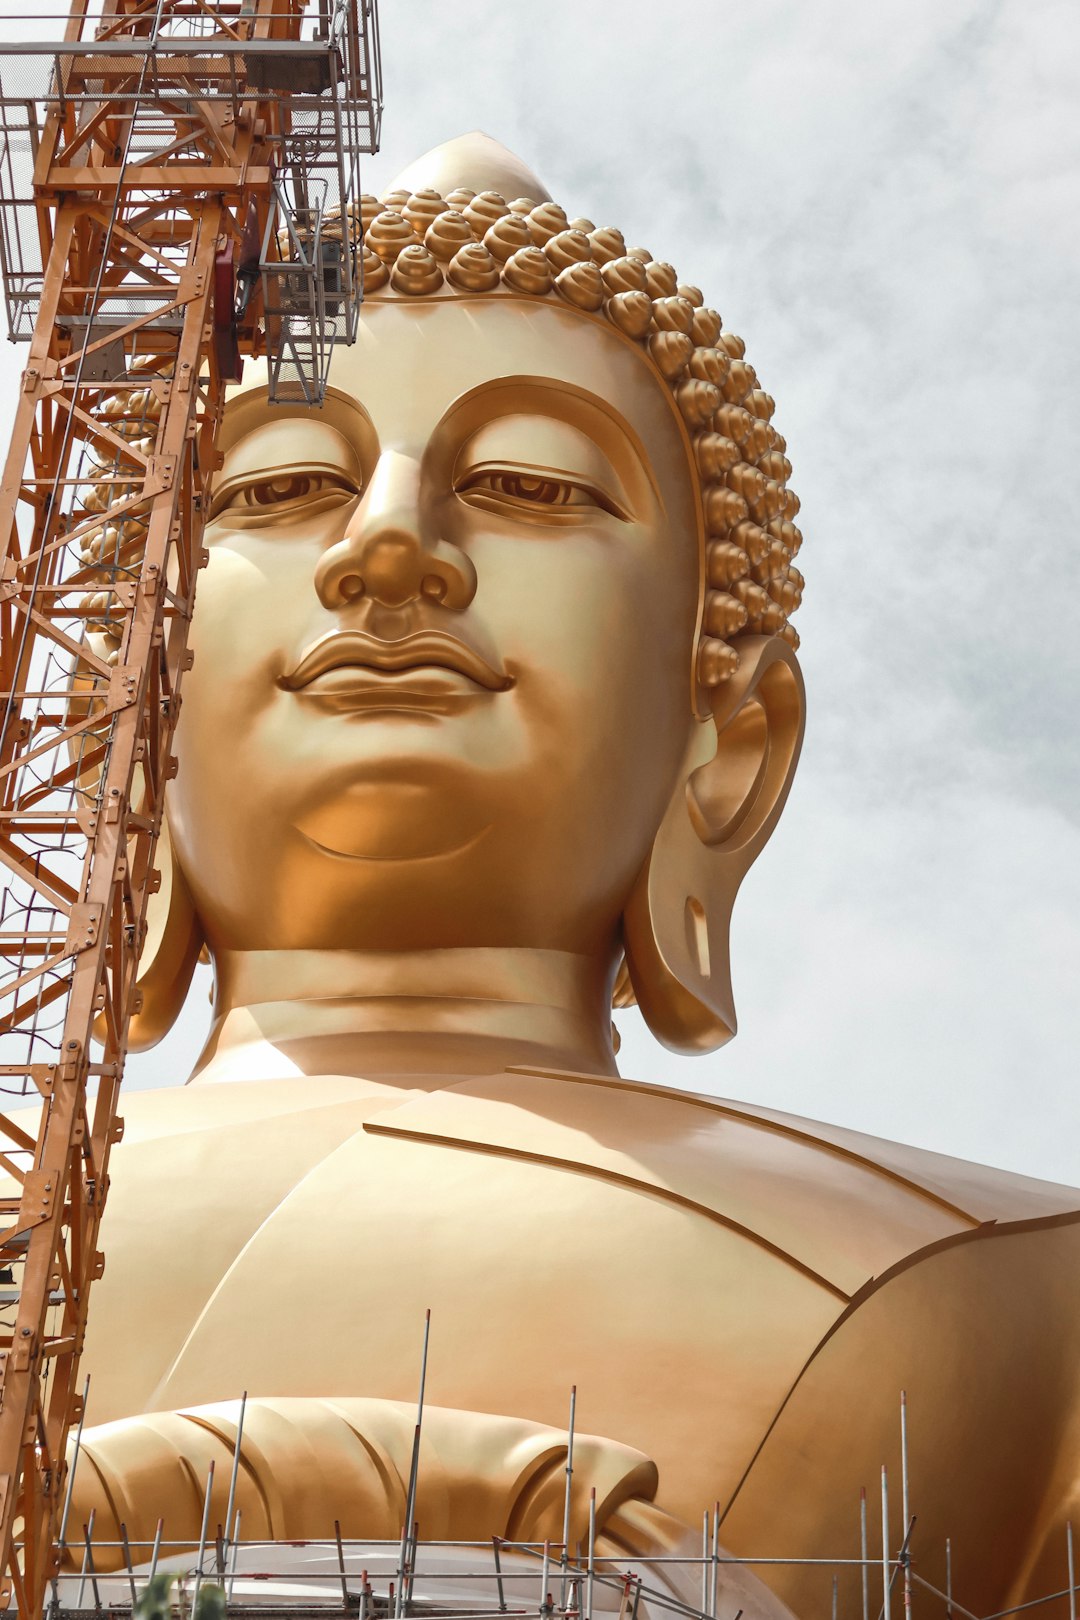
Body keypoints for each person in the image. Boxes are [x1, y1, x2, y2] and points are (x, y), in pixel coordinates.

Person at [62, 136, 1080, 1617]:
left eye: (530, 484)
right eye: (280, 483)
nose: (390, 544)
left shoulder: (1017, 1303)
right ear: (123, 727)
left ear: (726, 745)